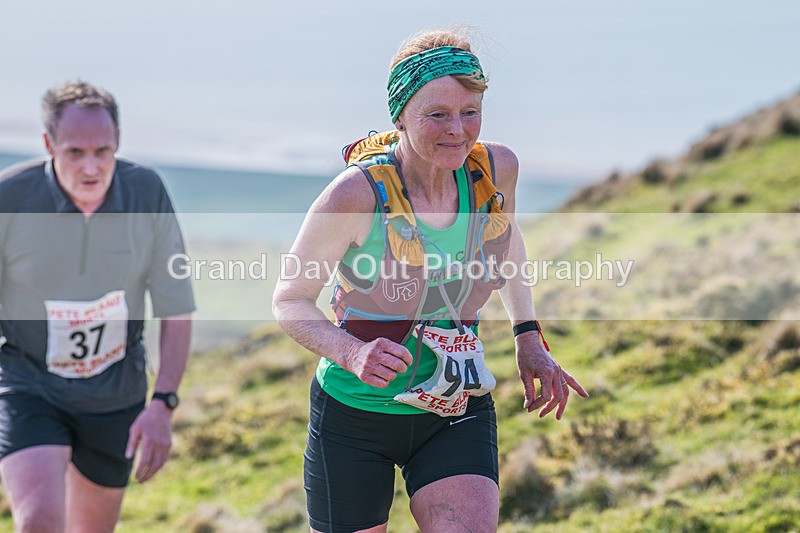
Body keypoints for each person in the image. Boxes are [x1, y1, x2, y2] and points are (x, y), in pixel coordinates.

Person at [273, 28, 588, 533]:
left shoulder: (495, 168)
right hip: (355, 415)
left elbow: (505, 240)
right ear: (399, 115)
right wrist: (353, 353)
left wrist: (528, 335)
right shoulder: (354, 196)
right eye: (436, 114)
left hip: (455, 405)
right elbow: (290, 301)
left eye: (470, 112)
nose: (458, 131)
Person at [0, 81, 195, 532]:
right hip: (30, 383)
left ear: (118, 144)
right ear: (49, 145)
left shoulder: (146, 192)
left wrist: (163, 403)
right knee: (39, 522)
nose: (91, 167)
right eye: (74, 153)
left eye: (103, 151)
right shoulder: (10, 199)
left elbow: (176, 306)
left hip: (115, 394)